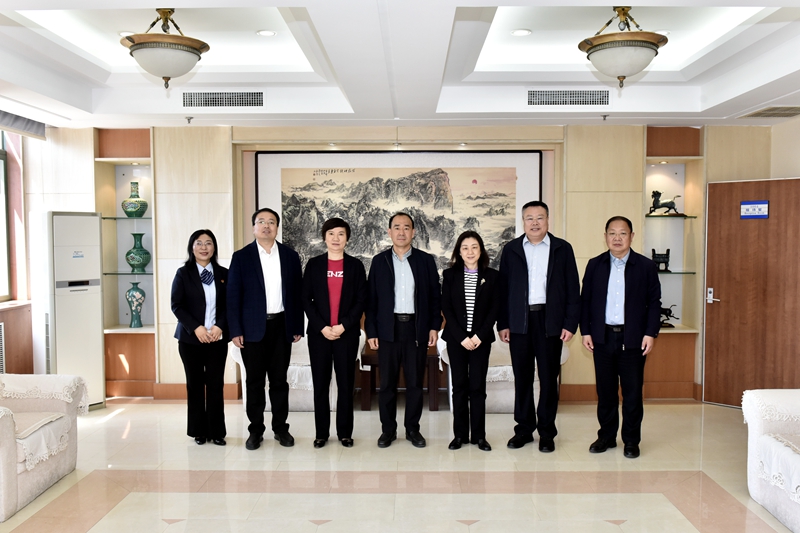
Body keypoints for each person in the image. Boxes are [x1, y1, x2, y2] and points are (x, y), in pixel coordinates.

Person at [497, 200, 580, 452]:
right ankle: (523, 430)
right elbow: (503, 290)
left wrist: (570, 323)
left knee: (548, 378)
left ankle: (546, 432)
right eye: (529, 218)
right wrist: (503, 323)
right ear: (523, 221)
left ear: (547, 220)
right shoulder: (511, 249)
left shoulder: (562, 248)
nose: (535, 223)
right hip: (519, 322)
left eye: (540, 217)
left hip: (550, 321)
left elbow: (573, 289)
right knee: (522, 378)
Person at [580, 216, 661, 459]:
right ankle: (606, 436)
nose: (617, 238)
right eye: (612, 233)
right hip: (602, 337)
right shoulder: (595, 265)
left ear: (631, 236)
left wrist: (650, 333)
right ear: (605, 236)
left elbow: (654, 303)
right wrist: (586, 331)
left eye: (622, 233)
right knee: (605, 392)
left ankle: (631, 440)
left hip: (633, 339)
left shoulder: (645, 266)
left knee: (632, 393)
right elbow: (585, 301)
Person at [227, 208, 303, 450]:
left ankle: (281, 428)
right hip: (252, 330)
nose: (266, 226)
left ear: (277, 228)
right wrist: (235, 330)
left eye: (271, 222)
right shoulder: (241, 257)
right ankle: (255, 430)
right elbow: (233, 296)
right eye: (261, 222)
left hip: (281, 326)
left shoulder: (290, 256)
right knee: (254, 382)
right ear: (254, 228)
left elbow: (296, 294)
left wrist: (297, 325)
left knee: (279, 381)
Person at [365, 212, 442, 448]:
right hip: (387, 328)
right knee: (387, 384)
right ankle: (388, 430)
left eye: (406, 227)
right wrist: (371, 331)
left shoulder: (425, 261)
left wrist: (434, 326)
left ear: (413, 232)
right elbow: (371, 300)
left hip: (416, 329)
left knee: (415, 383)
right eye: (396, 227)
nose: (401, 232)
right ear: (389, 232)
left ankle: (412, 429)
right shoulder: (379, 261)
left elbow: (435, 297)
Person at [302, 218, 367, 448]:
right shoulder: (314, 265)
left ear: (347, 238)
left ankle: (345, 433)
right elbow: (306, 299)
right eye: (331, 234)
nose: (336, 238)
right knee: (321, 384)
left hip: (346, 335)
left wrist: (344, 325)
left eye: (341, 234)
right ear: (324, 237)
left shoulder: (356, 266)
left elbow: (361, 301)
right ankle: (321, 433)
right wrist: (322, 326)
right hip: (319, 335)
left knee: (346, 384)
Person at [441, 231, 503, 452]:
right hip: (456, 340)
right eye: (465, 248)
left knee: (477, 387)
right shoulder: (450, 275)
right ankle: (459, 435)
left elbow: (494, 309)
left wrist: (478, 336)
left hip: (480, 340)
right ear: (459, 251)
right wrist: (462, 337)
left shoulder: (492, 276)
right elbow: (446, 308)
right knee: (459, 387)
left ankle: (479, 436)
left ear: (481, 250)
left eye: (474, 247)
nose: (470, 252)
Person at [171, 229, 229, 446]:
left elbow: (230, 304)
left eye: (208, 243)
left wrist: (219, 326)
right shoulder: (183, 273)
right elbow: (177, 305)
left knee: (215, 385)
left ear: (214, 247)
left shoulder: (224, 274)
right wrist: (196, 328)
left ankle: (217, 431)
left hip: (216, 339)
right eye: (199, 243)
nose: (204, 247)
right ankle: (198, 431)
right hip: (190, 339)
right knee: (194, 385)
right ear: (192, 247)